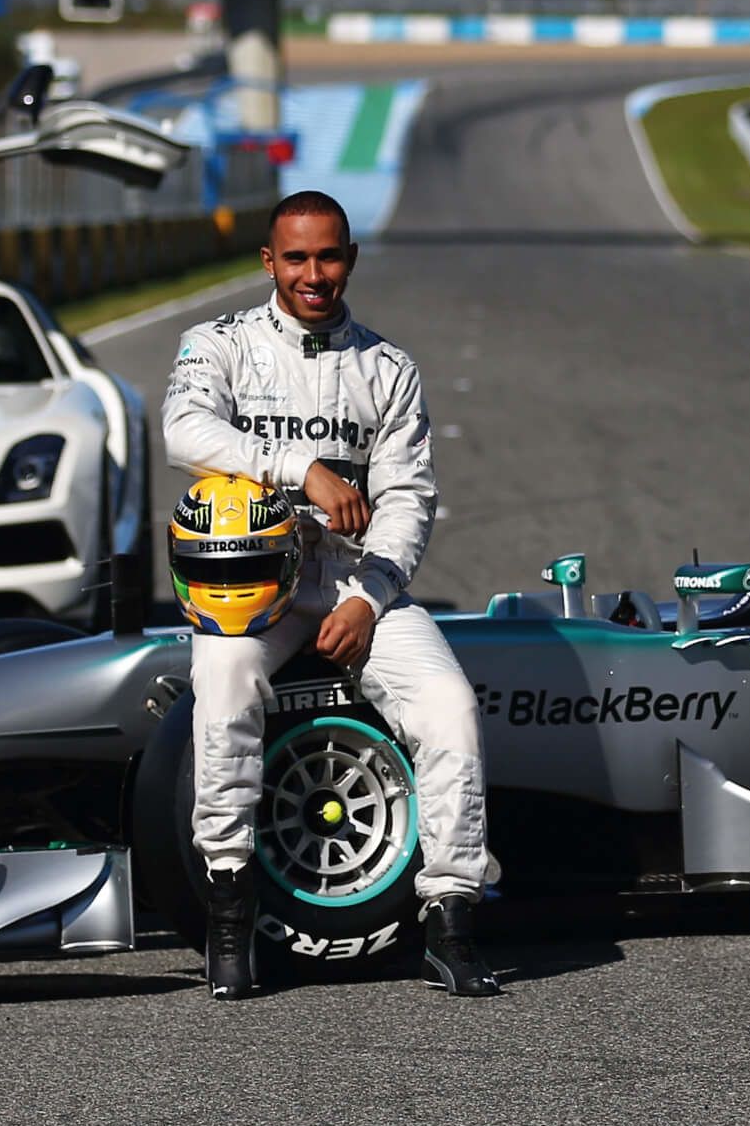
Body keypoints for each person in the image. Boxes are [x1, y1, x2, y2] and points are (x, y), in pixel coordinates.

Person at [162, 189, 501, 997]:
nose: (315, 274)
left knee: (450, 706)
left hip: (354, 581)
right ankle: (231, 911)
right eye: (298, 258)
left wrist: (367, 599)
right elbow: (183, 432)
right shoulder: (218, 345)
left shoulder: (388, 370)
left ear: (349, 257)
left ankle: (450, 917)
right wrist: (298, 469)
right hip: (250, 585)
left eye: (331, 256)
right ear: (269, 261)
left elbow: (410, 500)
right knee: (223, 687)